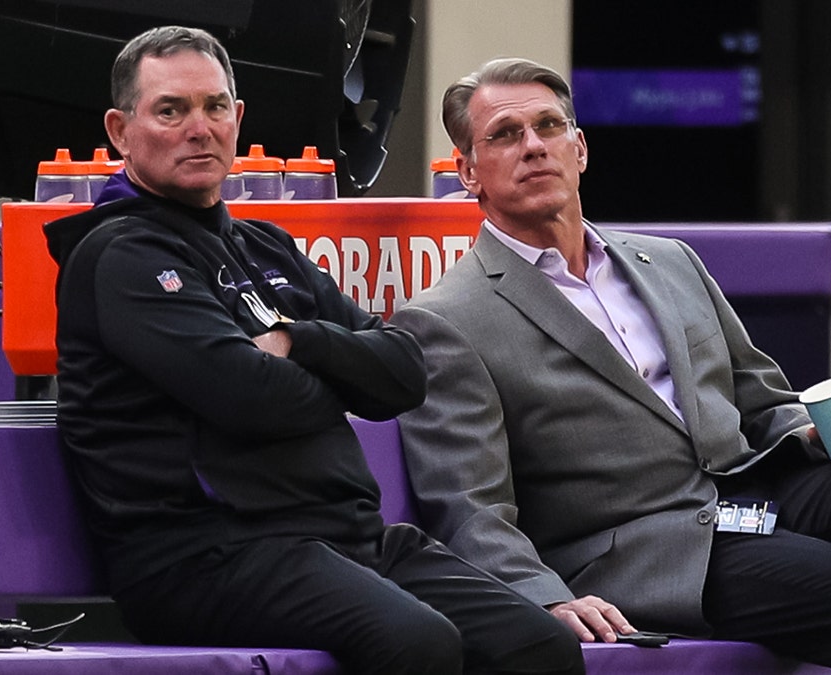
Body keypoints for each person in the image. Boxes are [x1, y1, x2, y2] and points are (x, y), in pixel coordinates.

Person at [391, 56, 831, 674]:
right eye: (504, 135)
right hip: (651, 550)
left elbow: (763, 402)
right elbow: (469, 506)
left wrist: (819, 431)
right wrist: (543, 596)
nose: (533, 146)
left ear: (579, 149)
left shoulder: (670, 261)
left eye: (549, 126)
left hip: (755, 492)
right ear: (469, 173)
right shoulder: (446, 319)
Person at [45, 29, 583, 675]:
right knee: (418, 642)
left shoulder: (264, 246)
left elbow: (407, 372)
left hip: (345, 538)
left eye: (215, 107)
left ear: (238, 118)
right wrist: (339, 379)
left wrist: (300, 341)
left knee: (539, 645)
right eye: (170, 110)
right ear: (120, 129)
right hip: (204, 554)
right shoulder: (119, 255)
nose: (199, 127)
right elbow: (250, 398)